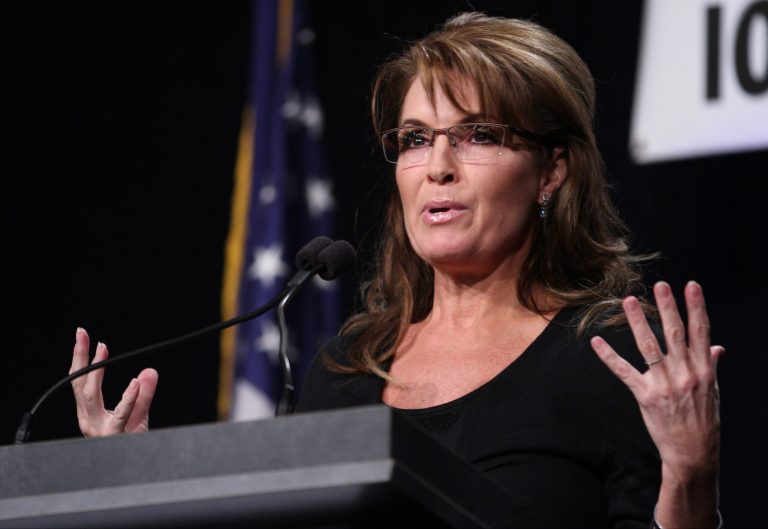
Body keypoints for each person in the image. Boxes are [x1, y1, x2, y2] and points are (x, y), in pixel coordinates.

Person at [69, 12, 723, 528]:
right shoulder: (346, 368)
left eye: (477, 135)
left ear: (551, 171)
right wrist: (133, 484)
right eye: (415, 138)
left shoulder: (613, 357)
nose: (437, 166)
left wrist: (690, 474)